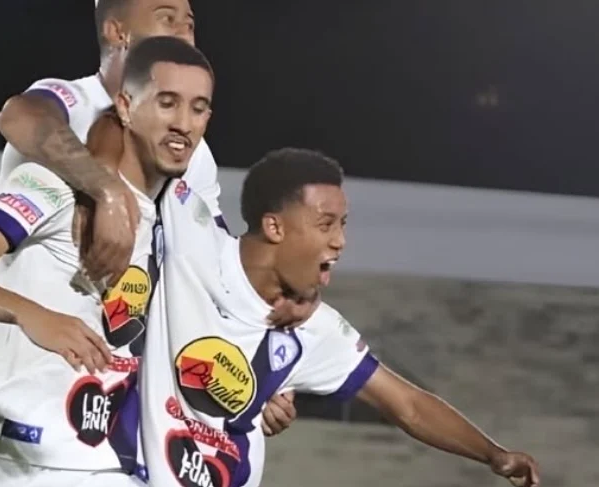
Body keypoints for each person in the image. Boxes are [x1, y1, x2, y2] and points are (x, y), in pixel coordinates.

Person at [0, 2, 296, 487]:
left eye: (190, 21)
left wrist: (251, 375)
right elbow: (17, 116)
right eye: (167, 16)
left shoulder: (192, 154)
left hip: (76, 369)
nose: (185, 30)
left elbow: (208, 268)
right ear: (118, 31)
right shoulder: (69, 101)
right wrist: (103, 188)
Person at [139, 148, 542, 487]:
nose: (340, 241)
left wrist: (494, 455)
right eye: (326, 224)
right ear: (275, 226)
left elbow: (408, 405)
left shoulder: (315, 330)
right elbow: (162, 111)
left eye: (342, 225)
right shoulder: (192, 234)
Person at [0, 36, 212, 487]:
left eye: (198, 109)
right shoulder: (54, 188)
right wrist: (30, 314)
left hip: (93, 465)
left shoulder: (175, 223)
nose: (183, 124)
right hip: (2, 456)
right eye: (167, 103)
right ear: (126, 106)